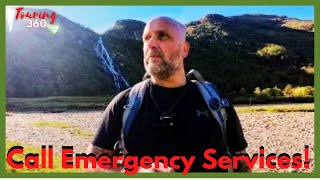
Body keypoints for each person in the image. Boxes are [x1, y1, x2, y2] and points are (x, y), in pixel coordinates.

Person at [87, 16, 250, 173]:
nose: (151, 44)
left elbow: (242, 164)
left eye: (162, 36)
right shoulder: (124, 102)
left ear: (184, 49)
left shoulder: (215, 101)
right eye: (146, 38)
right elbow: (91, 164)